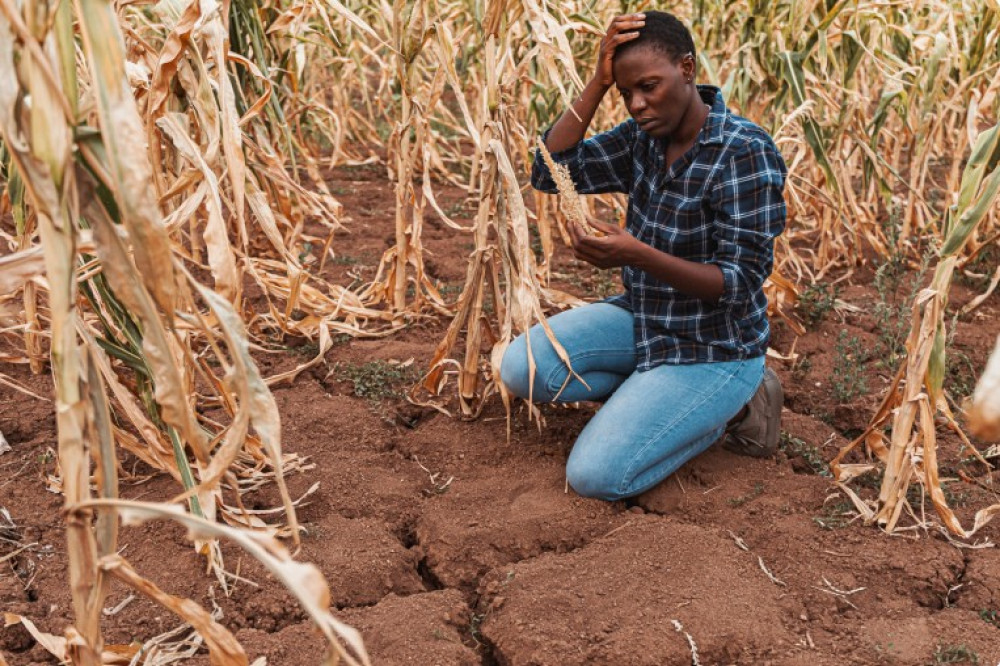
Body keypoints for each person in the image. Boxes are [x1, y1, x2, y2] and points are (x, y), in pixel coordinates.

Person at [500, 10, 787, 501]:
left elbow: (738, 284)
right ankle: (656, 401)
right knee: (521, 367)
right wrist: (596, 81)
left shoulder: (742, 151)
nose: (637, 104)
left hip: (713, 345)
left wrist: (637, 254)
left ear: (688, 68)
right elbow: (550, 172)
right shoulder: (644, 138)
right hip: (645, 318)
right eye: (625, 92)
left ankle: (739, 406)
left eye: (649, 86)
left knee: (596, 477)